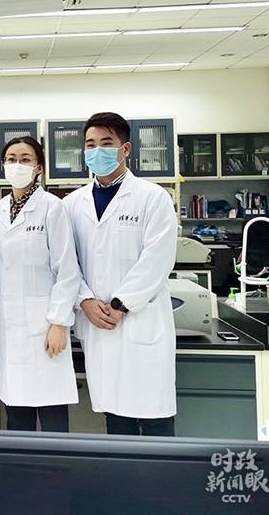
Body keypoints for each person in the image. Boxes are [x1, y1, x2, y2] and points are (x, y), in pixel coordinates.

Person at [63, 112, 178, 436]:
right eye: (90, 145)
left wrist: (120, 303)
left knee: (154, 419)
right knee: (115, 419)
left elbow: (158, 258)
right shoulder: (72, 204)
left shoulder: (153, 197)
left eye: (106, 143)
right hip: (97, 323)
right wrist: (84, 301)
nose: (96, 151)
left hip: (139, 321)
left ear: (125, 149)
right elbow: (65, 262)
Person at [0, 136, 80, 432]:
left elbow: (67, 271)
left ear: (39, 167)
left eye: (25, 159)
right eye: (11, 159)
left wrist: (59, 323)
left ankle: (56, 462)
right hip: (6, 329)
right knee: (16, 417)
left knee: (52, 417)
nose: (17, 165)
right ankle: (19, 464)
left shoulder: (52, 208)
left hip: (44, 328)